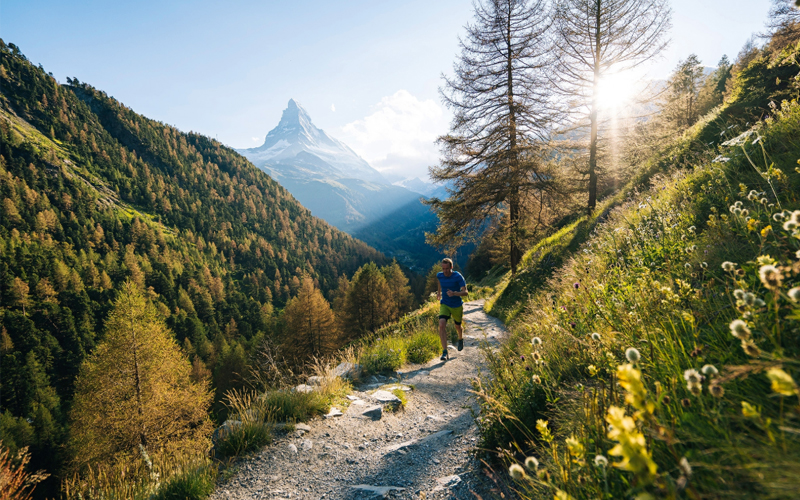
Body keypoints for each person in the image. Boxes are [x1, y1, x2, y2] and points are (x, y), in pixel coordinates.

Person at [436, 258, 467, 361]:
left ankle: (460, 338)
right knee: (441, 325)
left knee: (457, 326)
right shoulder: (440, 275)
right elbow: (440, 281)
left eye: (447, 269)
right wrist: (439, 292)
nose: (445, 271)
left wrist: (454, 293)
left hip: (456, 305)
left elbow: (465, 292)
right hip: (445, 304)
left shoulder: (457, 277)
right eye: (443, 269)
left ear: (451, 267)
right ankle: (444, 352)